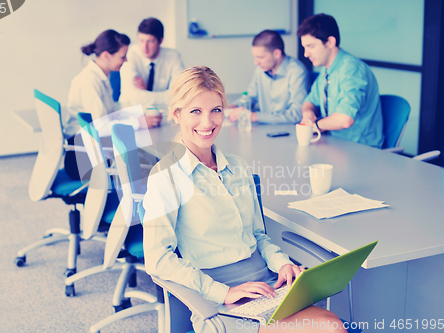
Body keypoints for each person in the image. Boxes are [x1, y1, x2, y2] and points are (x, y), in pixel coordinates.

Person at [142, 66, 346, 333]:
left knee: (333, 325)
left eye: (216, 110)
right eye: (195, 111)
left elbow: (259, 236)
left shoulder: (238, 167)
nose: (208, 123)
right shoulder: (165, 177)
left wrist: (282, 263)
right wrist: (223, 292)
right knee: (327, 328)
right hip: (218, 302)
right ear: (176, 114)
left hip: (267, 284)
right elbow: (157, 259)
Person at [63, 29, 160, 180]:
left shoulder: (100, 76)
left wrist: (139, 115)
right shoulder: (89, 82)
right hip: (82, 158)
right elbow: (101, 126)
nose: (126, 60)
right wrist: (137, 122)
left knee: (145, 156)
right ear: (107, 56)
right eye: (122, 56)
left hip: (91, 147)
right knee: (149, 163)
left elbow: (109, 114)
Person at [297, 14, 384, 148]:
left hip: (360, 149)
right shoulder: (327, 69)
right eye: (304, 47)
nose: (306, 54)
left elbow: (345, 119)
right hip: (334, 143)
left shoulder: (351, 69)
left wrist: (313, 126)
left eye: (311, 46)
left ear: (330, 42)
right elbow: (309, 101)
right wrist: (308, 113)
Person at [228, 30, 309, 124]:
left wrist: (254, 116)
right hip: (263, 128)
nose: (256, 63)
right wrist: (233, 106)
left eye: (260, 57)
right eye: (255, 57)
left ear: (277, 54)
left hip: (289, 130)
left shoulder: (297, 71)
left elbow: (296, 115)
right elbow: (251, 96)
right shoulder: (261, 68)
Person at [119, 17, 185, 108]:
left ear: (160, 40)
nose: (144, 47)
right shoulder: (129, 55)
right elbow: (134, 97)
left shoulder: (173, 56)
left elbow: (180, 94)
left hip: (162, 113)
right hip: (131, 111)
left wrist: (145, 93)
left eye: (150, 41)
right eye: (141, 41)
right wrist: (166, 96)